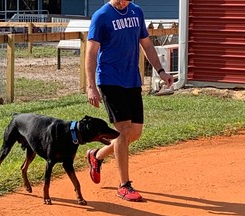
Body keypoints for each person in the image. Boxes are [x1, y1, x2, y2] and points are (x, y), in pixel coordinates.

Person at [85, 0, 174, 201]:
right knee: (123, 131)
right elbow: (91, 53)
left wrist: (161, 71)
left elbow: (146, 44)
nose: (124, 2)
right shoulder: (101, 16)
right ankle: (124, 185)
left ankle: (96, 156)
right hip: (109, 79)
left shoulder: (136, 12)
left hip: (132, 79)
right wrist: (91, 86)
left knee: (134, 133)